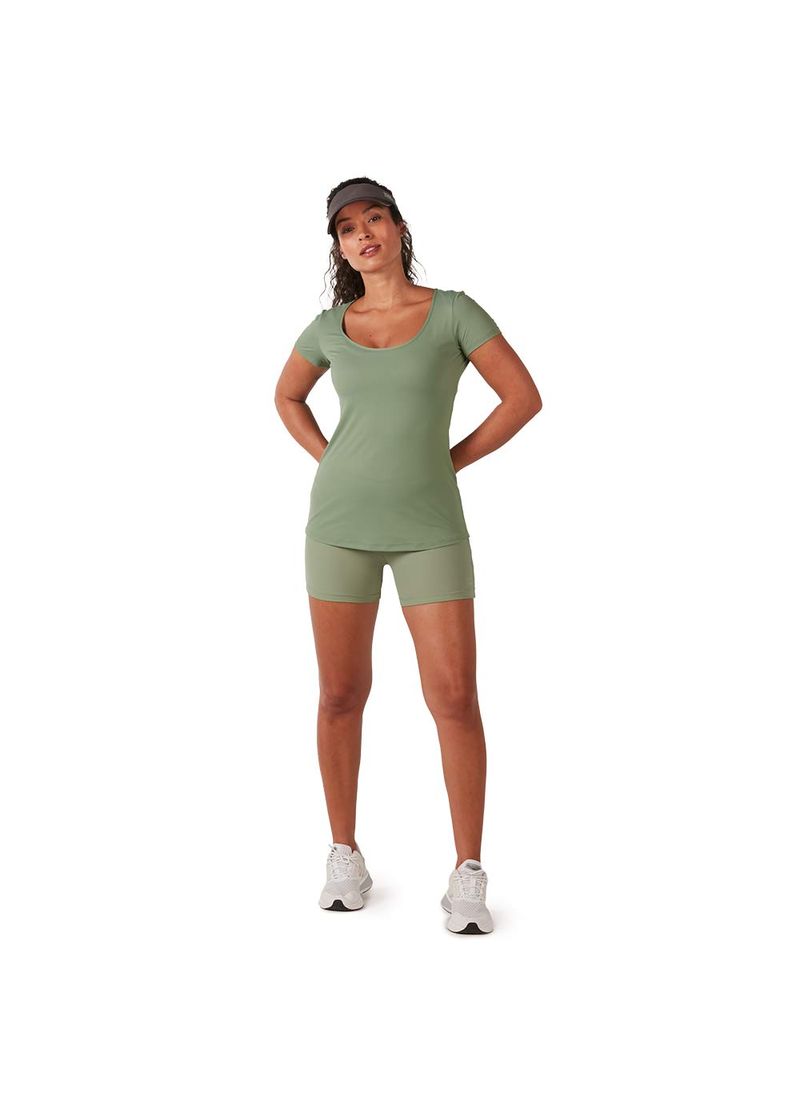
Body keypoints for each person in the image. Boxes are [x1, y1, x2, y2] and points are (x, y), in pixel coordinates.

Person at [274, 178, 542, 934]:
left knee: (455, 697)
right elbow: (287, 397)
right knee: (339, 695)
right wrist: (329, 458)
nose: (363, 234)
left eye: (375, 218)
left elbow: (522, 398)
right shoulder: (329, 327)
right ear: (339, 248)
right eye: (347, 228)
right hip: (339, 526)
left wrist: (447, 461)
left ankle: (467, 873)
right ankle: (345, 855)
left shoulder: (453, 312)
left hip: (430, 528)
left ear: (398, 229)